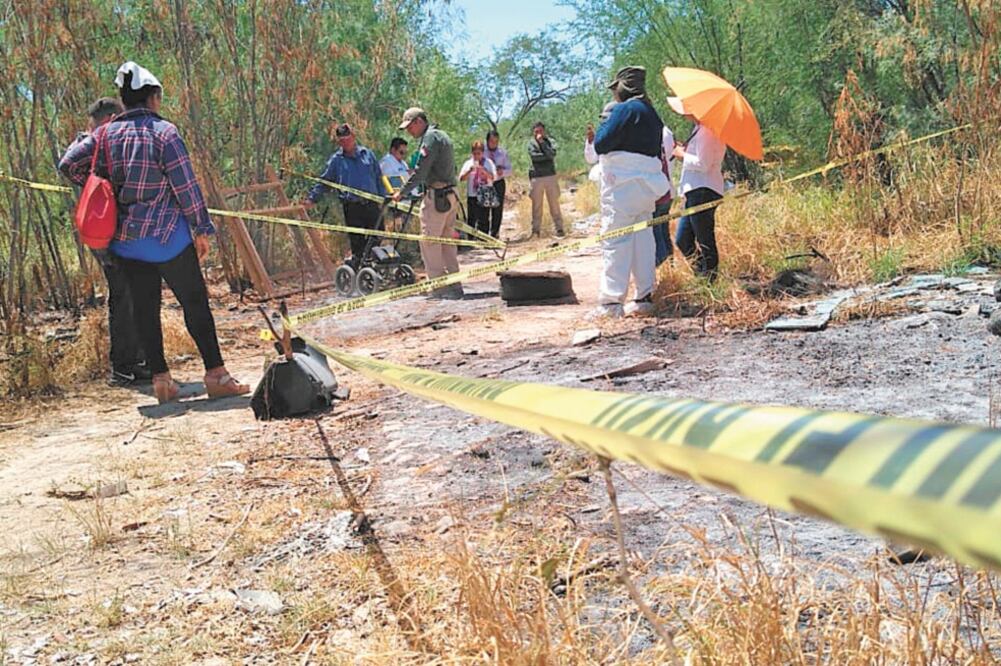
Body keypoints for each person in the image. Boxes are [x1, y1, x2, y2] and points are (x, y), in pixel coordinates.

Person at [58, 61, 248, 403]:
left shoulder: (105, 135)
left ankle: (162, 382)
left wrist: (95, 183)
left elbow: (68, 163)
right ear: (153, 98)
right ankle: (216, 375)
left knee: (145, 309)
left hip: (127, 242)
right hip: (168, 238)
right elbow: (185, 186)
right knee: (194, 303)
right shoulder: (164, 132)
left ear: (124, 100)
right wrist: (201, 228)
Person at [59, 97, 150, 387]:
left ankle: (136, 362)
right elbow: (67, 165)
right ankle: (124, 367)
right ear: (111, 119)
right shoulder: (101, 136)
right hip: (109, 231)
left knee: (131, 293)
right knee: (125, 294)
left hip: (112, 230)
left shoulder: (98, 140)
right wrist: (98, 183)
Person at [592, 66, 669, 318]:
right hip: (647, 188)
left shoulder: (624, 110)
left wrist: (605, 123)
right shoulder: (651, 114)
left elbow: (601, 143)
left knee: (615, 241)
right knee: (643, 241)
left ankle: (611, 303)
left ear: (623, 87)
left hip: (621, 187)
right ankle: (643, 298)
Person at [393, 107, 463, 299]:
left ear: (419, 121)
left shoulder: (429, 138)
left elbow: (420, 171)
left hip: (437, 196)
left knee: (429, 241)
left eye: (410, 127)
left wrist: (402, 192)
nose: (409, 132)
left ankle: (438, 287)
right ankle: (454, 284)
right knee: (447, 242)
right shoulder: (442, 135)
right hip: (450, 194)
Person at [303, 124, 387, 267]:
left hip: (372, 204)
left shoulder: (367, 154)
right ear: (339, 142)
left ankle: (371, 261)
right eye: (342, 141)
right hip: (352, 206)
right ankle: (359, 266)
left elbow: (379, 177)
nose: (346, 143)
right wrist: (312, 198)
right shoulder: (336, 160)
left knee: (378, 233)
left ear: (353, 137)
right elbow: (325, 181)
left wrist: (383, 198)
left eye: (348, 139)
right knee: (357, 240)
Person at [669, 96, 726, 280]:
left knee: (704, 238)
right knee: (683, 239)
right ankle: (703, 276)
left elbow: (703, 164)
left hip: (703, 190)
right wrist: (686, 151)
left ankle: (710, 280)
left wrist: (682, 155)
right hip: (696, 190)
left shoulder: (707, 131)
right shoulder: (700, 129)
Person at [527, 122, 565, 238]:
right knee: (537, 206)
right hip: (536, 177)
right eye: (536, 131)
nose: (538, 133)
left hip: (550, 176)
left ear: (544, 131)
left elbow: (552, 154)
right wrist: (546, 156)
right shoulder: (531, 143)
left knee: (554, 203)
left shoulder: (550, 142)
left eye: (540, 131)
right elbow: (534, 157)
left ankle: (559, 229)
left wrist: (542, 144)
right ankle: (536, 231)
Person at [459, 141, 497, 237]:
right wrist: (469, 171)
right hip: (472, 194)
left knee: (484, 219)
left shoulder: (488, 163)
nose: (476, 156)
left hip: (485, 193)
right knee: (472, 218)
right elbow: (461, 178)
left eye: (478, 153)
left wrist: (484, 171)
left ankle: (484, 239)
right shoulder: (468, 163)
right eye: (474, 153)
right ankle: (471, 239)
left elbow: (493, 177)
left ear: (483, 153)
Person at [653, 124, 676, 267]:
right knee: (664, 232)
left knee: (657, 234)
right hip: (668, 190)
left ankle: (662, 266)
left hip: (658, 194)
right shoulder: (667, 132)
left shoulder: (652, 132)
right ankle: (670, 267)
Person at [484, 130, 511, 238]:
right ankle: (484, 235)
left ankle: (495, 234)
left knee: (497, 209)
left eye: (496, 141)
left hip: (498, 182)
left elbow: (509, 170)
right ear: (487, 141)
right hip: (485, 183)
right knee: (484, 209)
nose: (494, 144)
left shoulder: (502, 153)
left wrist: (502, 171)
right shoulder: (482, 151)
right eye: (492, 141)